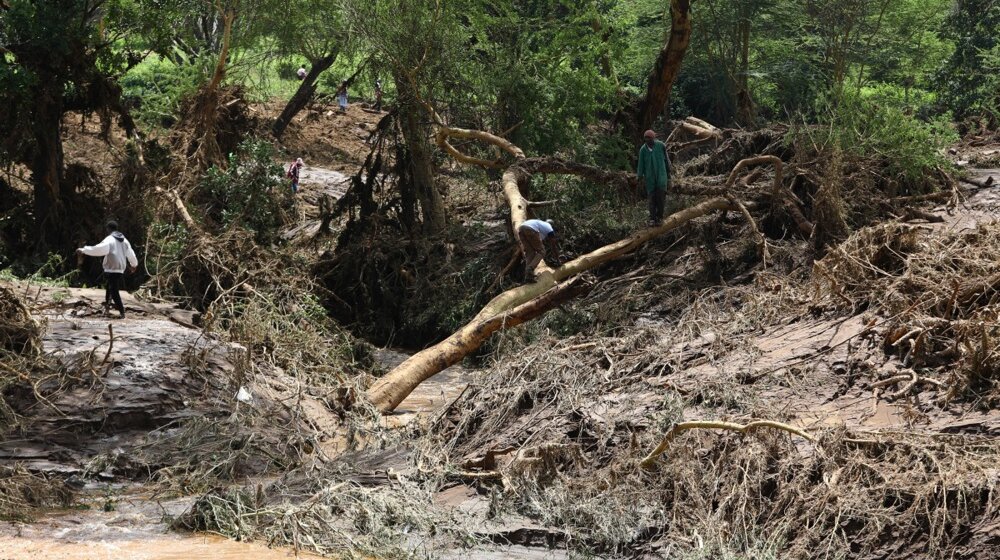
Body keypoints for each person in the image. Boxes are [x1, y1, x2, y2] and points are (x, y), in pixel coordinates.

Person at [76, 221, 138, 319]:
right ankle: (107, 306)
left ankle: (122, 311)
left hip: (111, 268)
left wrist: (84, 250)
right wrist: (134, 264)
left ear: (108, 229)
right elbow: (131, 253)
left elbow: (99, 249)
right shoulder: (125, 240)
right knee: (109, 287)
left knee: (114, 291)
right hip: (119, 269)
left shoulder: (110, 239)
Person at [636, 129, 671, 227]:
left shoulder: (661, 146)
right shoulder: (643, 150)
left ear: (653, 138)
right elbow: (641, 164)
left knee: (660, 198)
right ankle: (652, 218)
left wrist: (669, 173)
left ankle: (659, 218)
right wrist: (639, 176)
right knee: (651, 199)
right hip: (650, 179)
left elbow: (667, 160)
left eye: (649, 138)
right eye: (646, 139)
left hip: (661, 176)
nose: (648, 140)